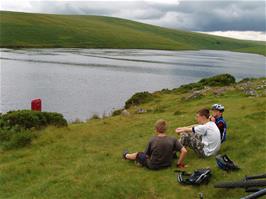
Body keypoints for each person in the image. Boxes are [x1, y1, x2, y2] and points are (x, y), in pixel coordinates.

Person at [123, 119, 187, 170]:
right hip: (168, 164)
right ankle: (137, 161)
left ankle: (126, 155)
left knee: (139, 154)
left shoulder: (152, 140)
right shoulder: (173, 139)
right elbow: (184, 151)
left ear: (156, 129)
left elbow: (146, 155)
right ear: (165, 129)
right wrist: (178, 164)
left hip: (153, 165)